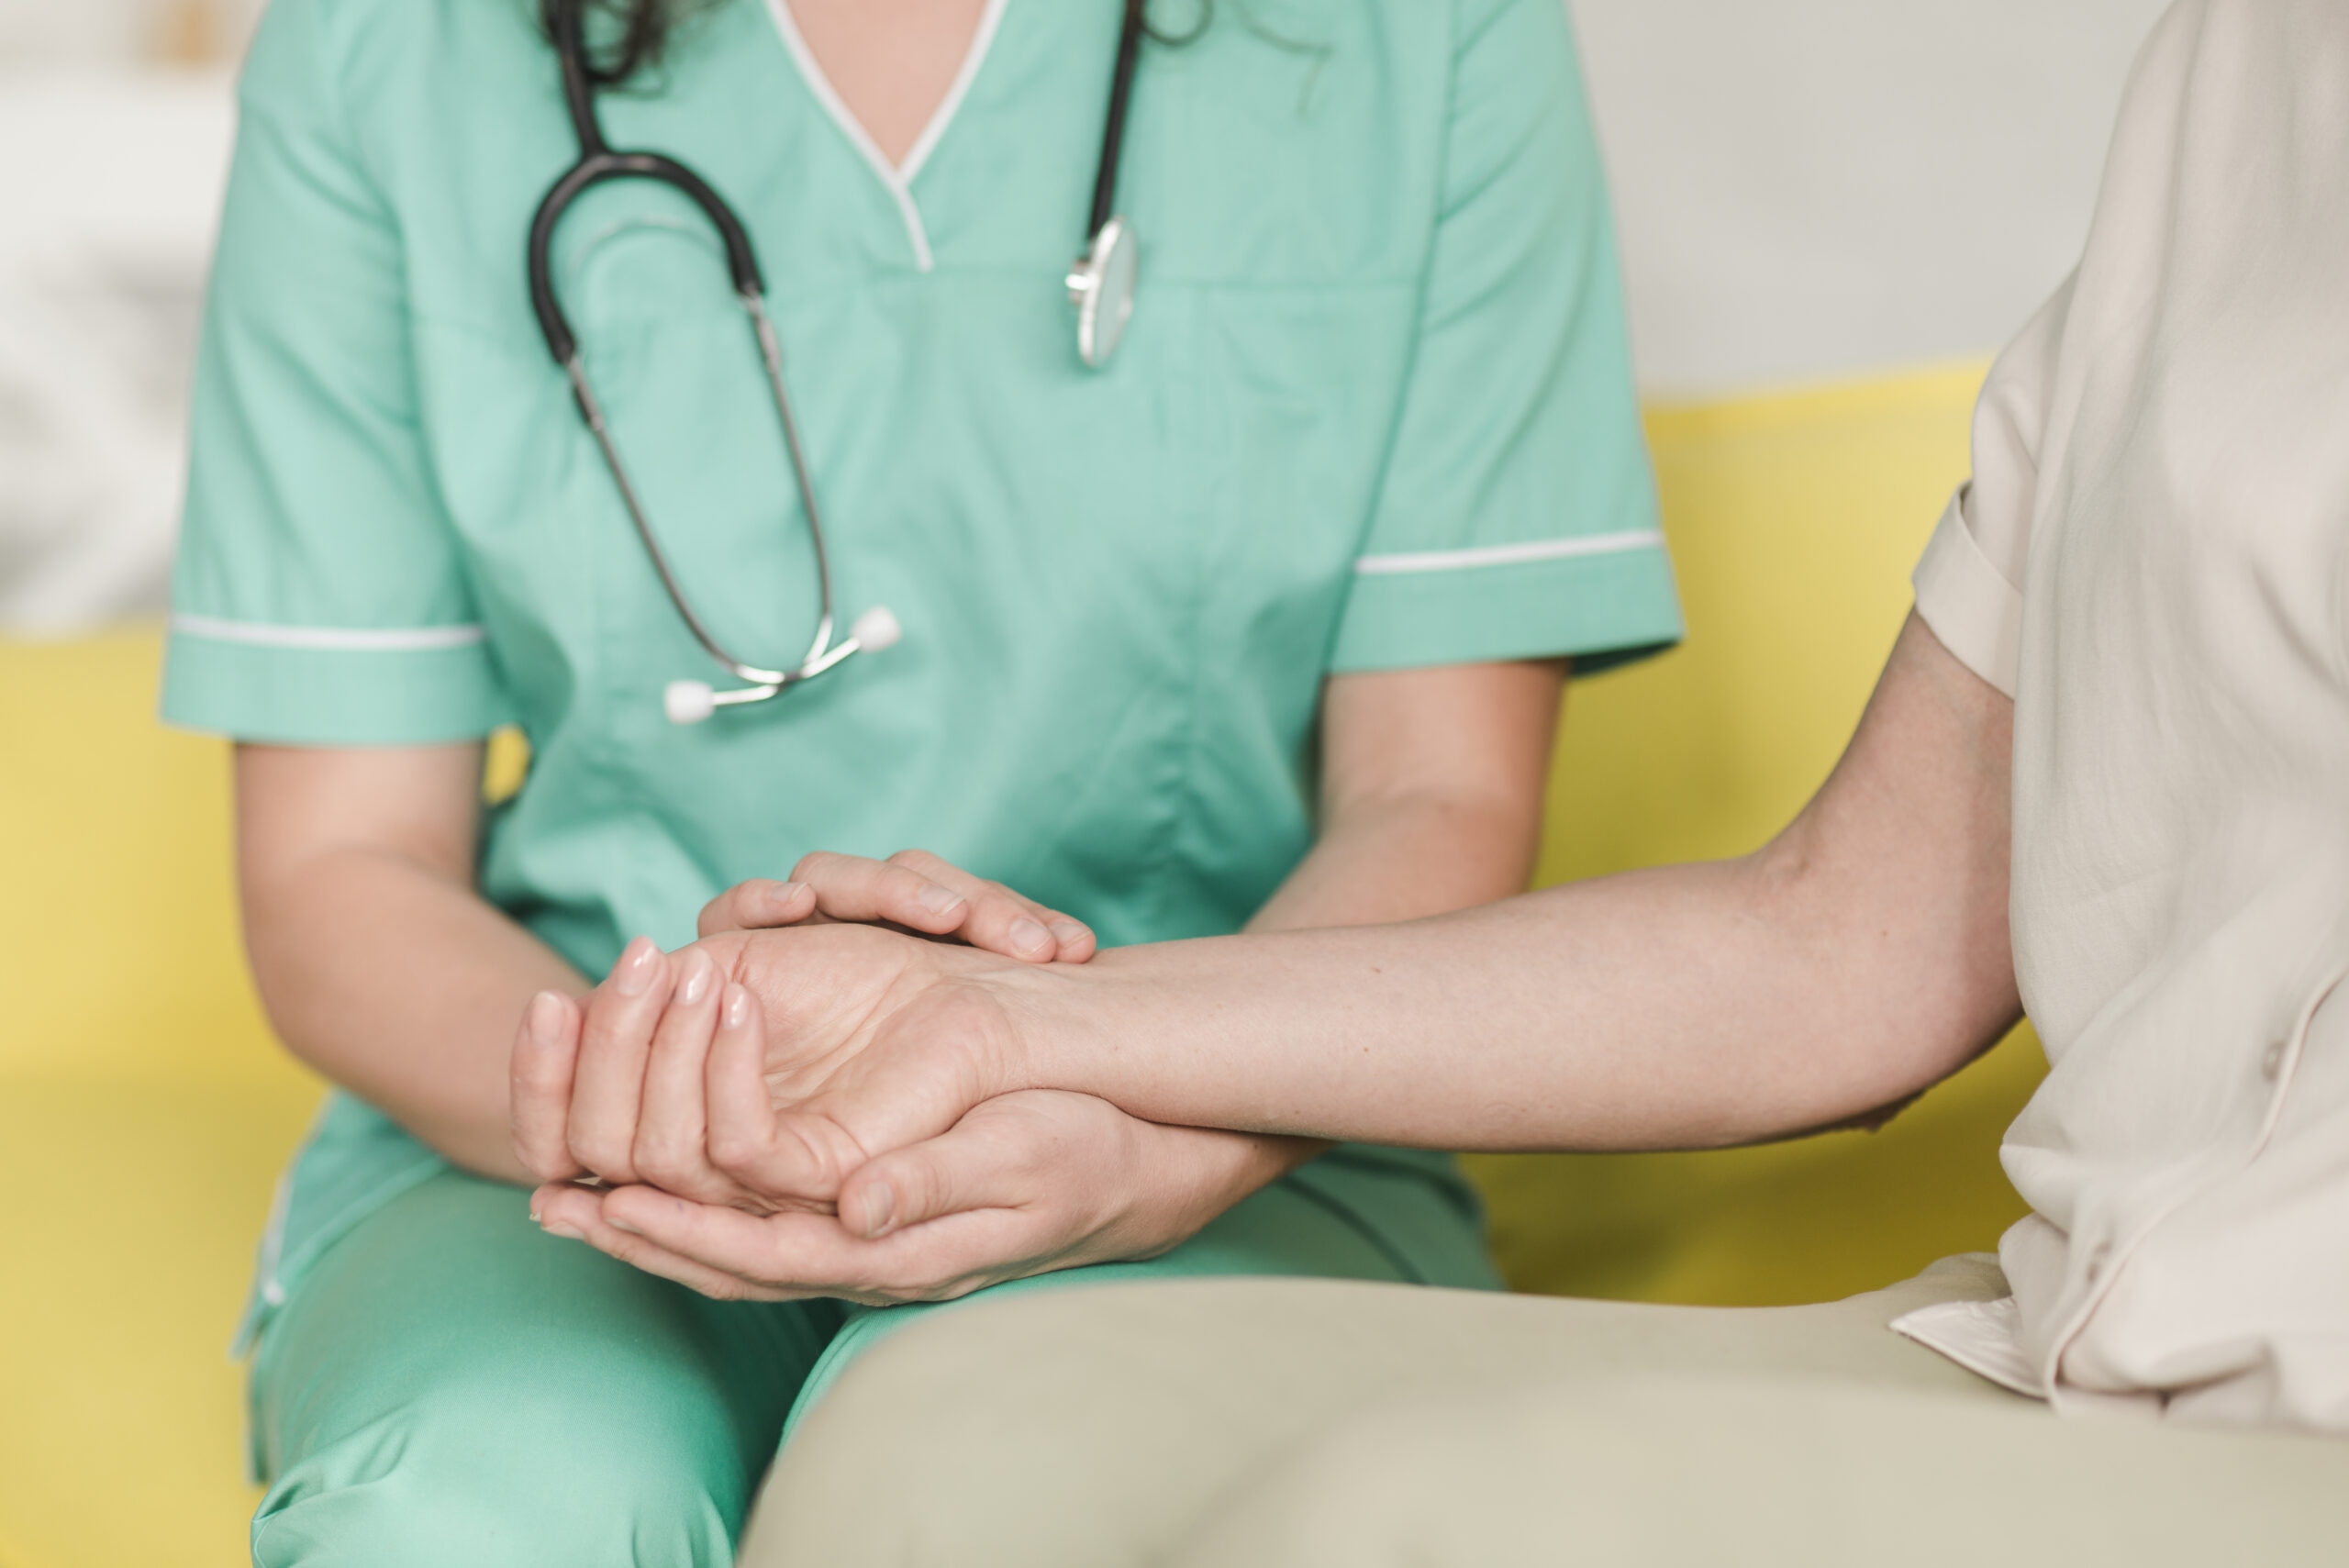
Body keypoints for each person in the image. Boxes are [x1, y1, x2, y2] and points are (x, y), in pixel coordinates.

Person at [524, 0, 2349, 1559]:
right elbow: (1842, 946)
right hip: (2077, 1341)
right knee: (941, 1455)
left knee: (1426, 1524)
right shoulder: (2232, 75)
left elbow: (1439, 793)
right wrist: (1006, 1029)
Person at [161, 0, 1681, 1560]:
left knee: (997, 1483)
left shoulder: (1425, 36)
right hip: (550, 1149)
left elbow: (1436, 797)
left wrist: (1159, 1124)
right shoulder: (380, 46)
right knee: (480, 1503)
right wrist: (658, 1104)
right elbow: (339, 869)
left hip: (1243, 1123)